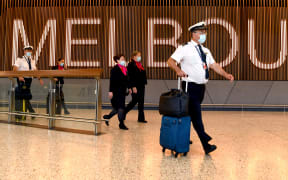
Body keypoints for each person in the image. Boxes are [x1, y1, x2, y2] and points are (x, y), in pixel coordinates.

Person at [167, 21, 234, 154]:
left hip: (201, 88)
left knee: (190, 114)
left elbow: (214, 66)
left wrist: (226, 74)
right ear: (194, 34)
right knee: (196, 115)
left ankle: (183, 138)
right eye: (201, 32)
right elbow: (170, 61)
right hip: (189, 87)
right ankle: (206, 144)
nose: (204, 35)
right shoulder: (184, 48)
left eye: (205, 32)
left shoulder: (205, 50)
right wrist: (177, 70)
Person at [103, 51, 148, 123]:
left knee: (139, 102)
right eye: (138, 56)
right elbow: (129, 77)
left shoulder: (135, 66)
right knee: (129, 104)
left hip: (136, 87)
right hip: (124, 89)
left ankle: (140, 118)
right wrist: (132, 86)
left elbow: (127, 79)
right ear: (134, 57)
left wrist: (129, 87)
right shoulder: (128, 66)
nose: (140, 57)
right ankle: (121, 119)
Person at [13, 45, 44, 121]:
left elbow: (35, 70)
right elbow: (14, 69)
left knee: (25, 97)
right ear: (24, 51)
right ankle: (25, 114)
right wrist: (19, 76)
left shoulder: (32, 61)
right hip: (22, 80)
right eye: (27, 50)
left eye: (30, 51)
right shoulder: (19, 60)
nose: (29, 52)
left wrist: (39, 78)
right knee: (23, 97)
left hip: (29, 80)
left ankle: (31, 112)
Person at [104, 54, 131, 130]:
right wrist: (110, 91)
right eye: (122, 59)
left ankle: (107, 117)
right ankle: (121, 124)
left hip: (122, 91)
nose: (124, 61)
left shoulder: (125, 69)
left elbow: (127, 80)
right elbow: (112, 81)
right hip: (116, 91)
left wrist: (129, 88)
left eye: (124, 59)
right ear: (117, 61)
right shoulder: (114, 69)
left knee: (117, 108)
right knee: (121, 107)